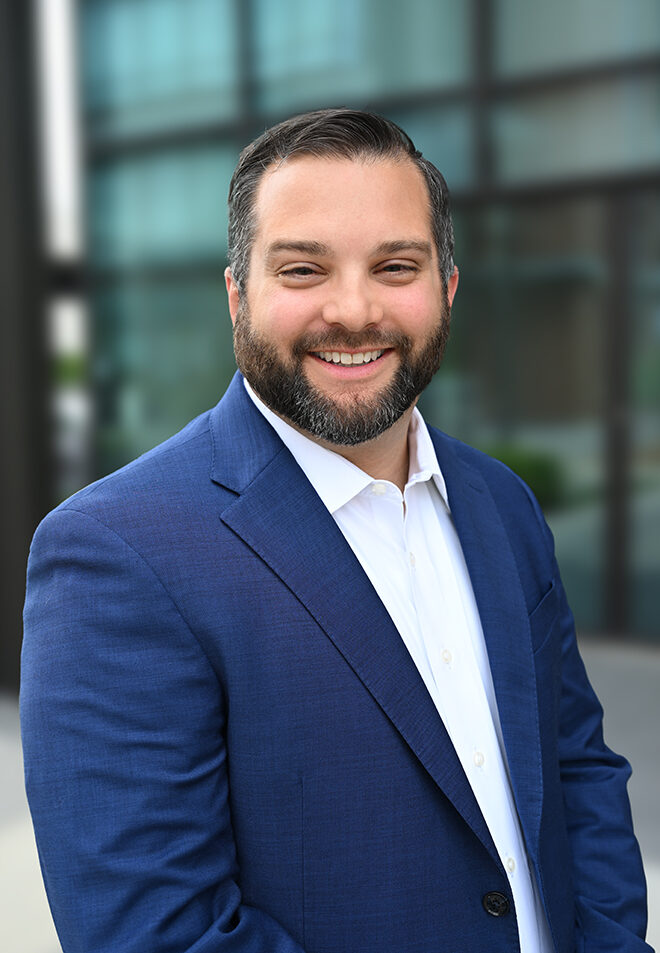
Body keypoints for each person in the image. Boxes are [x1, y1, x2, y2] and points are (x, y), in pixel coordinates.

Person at [21, 108, 652, 953]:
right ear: (238, 294)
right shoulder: (117, 552)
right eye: (303, 269)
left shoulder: (501, 503)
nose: (353, 311)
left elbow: (578, 772)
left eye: (396, 265)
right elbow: (156, 934)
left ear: (448, 289)